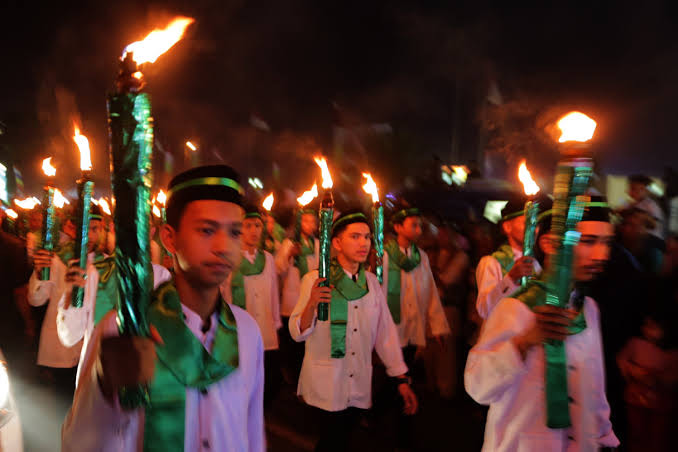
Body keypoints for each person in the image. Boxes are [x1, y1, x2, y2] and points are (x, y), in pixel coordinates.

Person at [62, 165, 265, 452]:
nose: (223, 246)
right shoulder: (123, 327)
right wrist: (105, 386)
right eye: (207, 230)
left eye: (234, 232)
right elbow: (77, 442)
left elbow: (252, 434)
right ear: (170, 238)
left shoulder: (246, 331)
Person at [465, 197, 619, 451]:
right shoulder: (516, 307)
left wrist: (604, 437)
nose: (602, 255)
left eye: (607, 243)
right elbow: (477, 386)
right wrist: (525, 342)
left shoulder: (588, 309)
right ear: (549, 244)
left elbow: (594, 388)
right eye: (589, 242)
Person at [289, 209, 417, 451]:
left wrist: (401, 378)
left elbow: (385, 334)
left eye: (367, 237)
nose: (364, 243)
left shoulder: (371, 283)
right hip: (326, 381)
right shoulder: (315, 280)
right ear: (336, 242)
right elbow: (297, 332)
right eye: (355, 237)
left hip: (358, 378)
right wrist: (312, 303)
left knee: (344, 440)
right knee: (331, 441)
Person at [222, 204, 282, 407]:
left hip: (265, 330)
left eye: (257, 225)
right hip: (238, 331)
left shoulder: (268, 259)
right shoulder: (229, 258)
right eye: (248, 225)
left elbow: (273, 293)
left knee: (270, 381)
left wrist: (275, 323)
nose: (254, 230)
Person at [617, 313, 678, 452]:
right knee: (636, 434)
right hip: (636, 399)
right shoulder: (636, 343)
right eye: (646, 325)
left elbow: (671, 379)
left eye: (653, 326)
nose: (647, 329)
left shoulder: (672, 353)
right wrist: (630, 371)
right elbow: (622, 359)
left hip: (661, 403)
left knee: (658, 439)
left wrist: (651, 376)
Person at [475, 198, 542, 319]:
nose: (533, 229)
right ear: (507, 227)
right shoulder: (491, 262)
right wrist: (512, 278)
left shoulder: (535, 263)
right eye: (527, 222)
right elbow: (485, 310)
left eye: (536, 223)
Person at [275, 207, 318, 381]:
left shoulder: (316, 245)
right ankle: (292, 375)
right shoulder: (290, 243)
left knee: (309, 339)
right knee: (293, 341)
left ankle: (306, 376)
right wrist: (289, 256)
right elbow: (278, 269)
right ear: (299, 223)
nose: (310, 225)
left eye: (313, 221)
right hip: (292, 300)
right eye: (306, 221)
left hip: (311, 299)